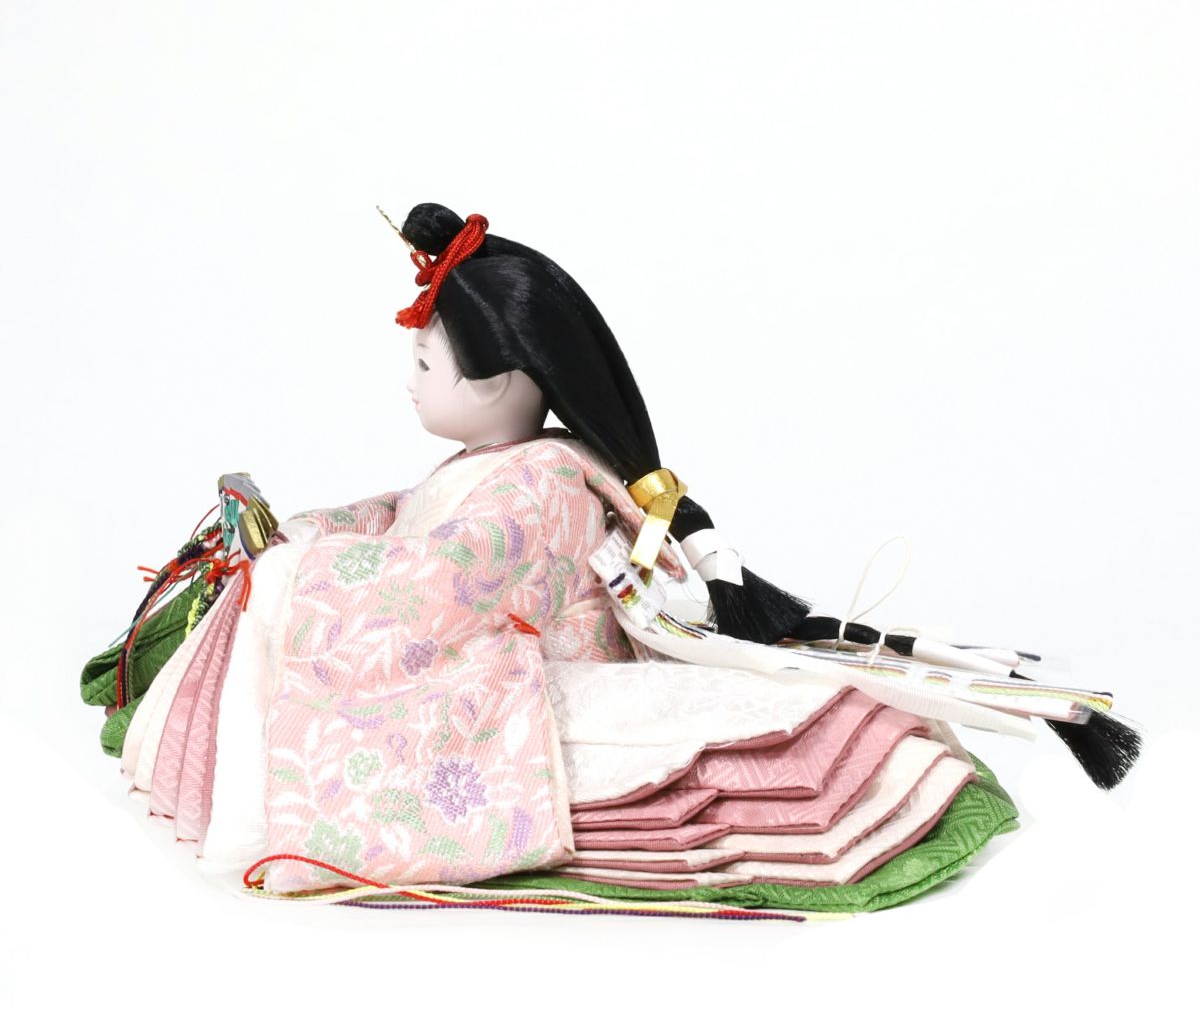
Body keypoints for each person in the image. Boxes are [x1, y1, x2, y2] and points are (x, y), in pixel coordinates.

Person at [83, 203, 1136, 917]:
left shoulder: (538, 482)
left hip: (534, 689)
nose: (408, 381)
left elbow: (435, 581)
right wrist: (323, 529)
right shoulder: (504, 462)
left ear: (502, 383)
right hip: (499, 647)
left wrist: (302, 572)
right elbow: (408, 513)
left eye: (424, 362)